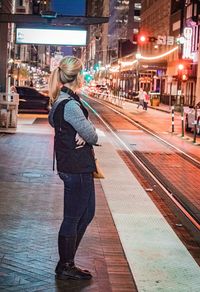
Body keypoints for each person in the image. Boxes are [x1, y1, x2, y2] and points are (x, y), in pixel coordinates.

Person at [48, 56, 98, 281]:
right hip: (76, 169)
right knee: (73, 217)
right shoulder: (70, 104)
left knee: (86, 214)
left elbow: (53, 121)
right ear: (78, 76)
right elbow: (93, 135)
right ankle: (66, 265)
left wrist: (76, 131)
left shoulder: (62, 100)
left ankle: (66, 261)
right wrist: (83, 132)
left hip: (75, 166)